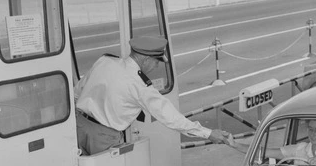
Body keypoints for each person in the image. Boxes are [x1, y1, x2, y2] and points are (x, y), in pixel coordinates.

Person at [74, 35, 230, 155]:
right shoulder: (139, 84)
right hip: (103, 138)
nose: (155, 67)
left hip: (78, 126)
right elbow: (170, 117)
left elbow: (78, 91)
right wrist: (208, 134)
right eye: (156, 62)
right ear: (146, 59)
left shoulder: (105, 61)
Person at [229, 118, 316, 166]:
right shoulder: (299, 149)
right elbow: (265, 152)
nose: (313, 134)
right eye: (310, 129)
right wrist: (234, 144)